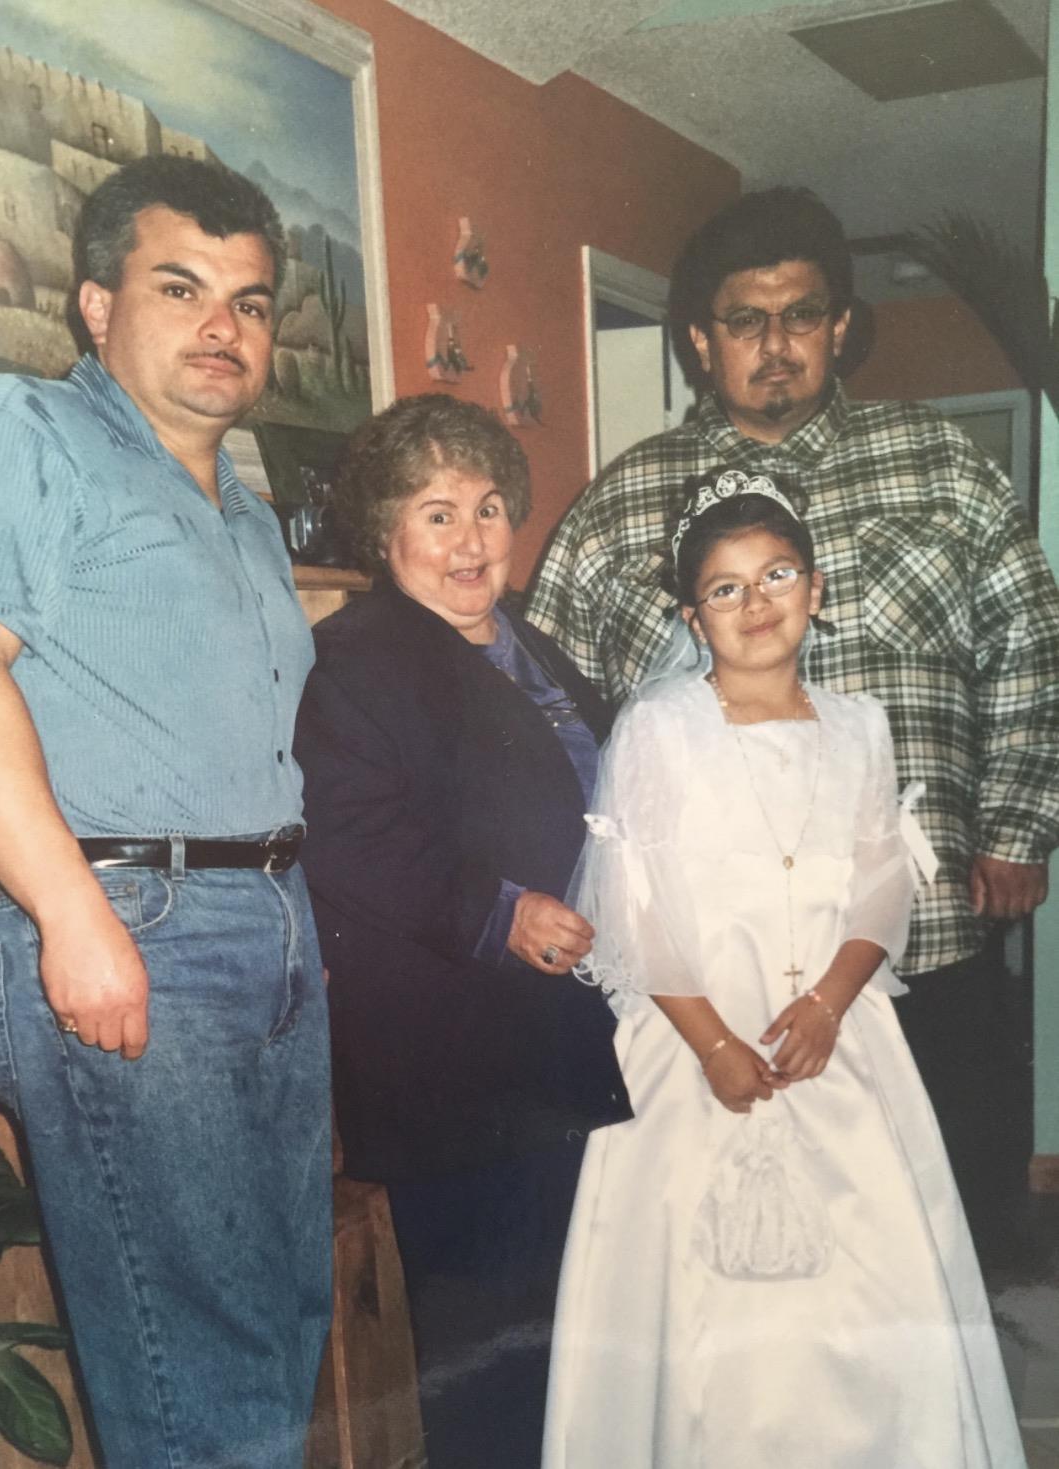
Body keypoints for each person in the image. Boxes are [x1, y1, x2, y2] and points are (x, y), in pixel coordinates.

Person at [528, 186, 1059, 1214]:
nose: (775, 344)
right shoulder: (620, 504)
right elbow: (552, 698)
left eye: (802, 315)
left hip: (920, 928)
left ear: (842, 328)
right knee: (726, 1241)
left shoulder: (943, 466)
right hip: (709, 969)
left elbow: (1032, 646)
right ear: (698, 341)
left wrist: (1020, 826)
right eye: (745, 320)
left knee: (937, 1216)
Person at [0, 156, 331, 1469]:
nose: (227, 326)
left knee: (276, 1334)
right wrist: (69, 915)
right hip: (131, 926)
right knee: (199, 1381)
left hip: (271, 926)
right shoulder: (15, 428)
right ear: (97, 307)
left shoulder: (248, 514)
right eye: (184, 288)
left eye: (253, 302)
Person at [541, 469, 1025, 1468]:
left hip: (831, 1031)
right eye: (725, 588)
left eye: (776, 575)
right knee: (706, 1309)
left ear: (814, 589)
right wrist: (716, 1043)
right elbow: (633, 907)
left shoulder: (860, 724)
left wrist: (830, 1001)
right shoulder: (661, 725)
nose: (756, 604)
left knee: (868, 1288)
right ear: (691, 613)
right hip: (696, 1035)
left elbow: (882, 883)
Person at [294, 393, 630, 1469]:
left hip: (559, 1039)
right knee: (490, 1345)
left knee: (570, 1325)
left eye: (488, 508)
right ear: (385, 528)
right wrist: (501, 913)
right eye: (436, 513)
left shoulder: (528, 633)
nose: (470, 540)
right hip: (459, 1056)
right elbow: (349, 834)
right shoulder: (356, 655)